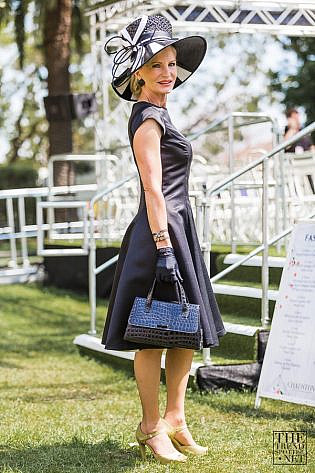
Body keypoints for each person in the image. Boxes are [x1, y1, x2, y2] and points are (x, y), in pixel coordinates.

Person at [101, 14, 227, 465]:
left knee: (185, 332)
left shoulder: (161, 112)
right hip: (160, 232)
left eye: (172, 63)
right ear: (139, 72)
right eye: (156, 64)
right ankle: (151, 427)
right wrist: (164, 249)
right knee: (153, 337)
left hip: (178, 226)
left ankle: (176, 418)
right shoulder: (148, 118)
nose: (167, 72)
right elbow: (153, 188)